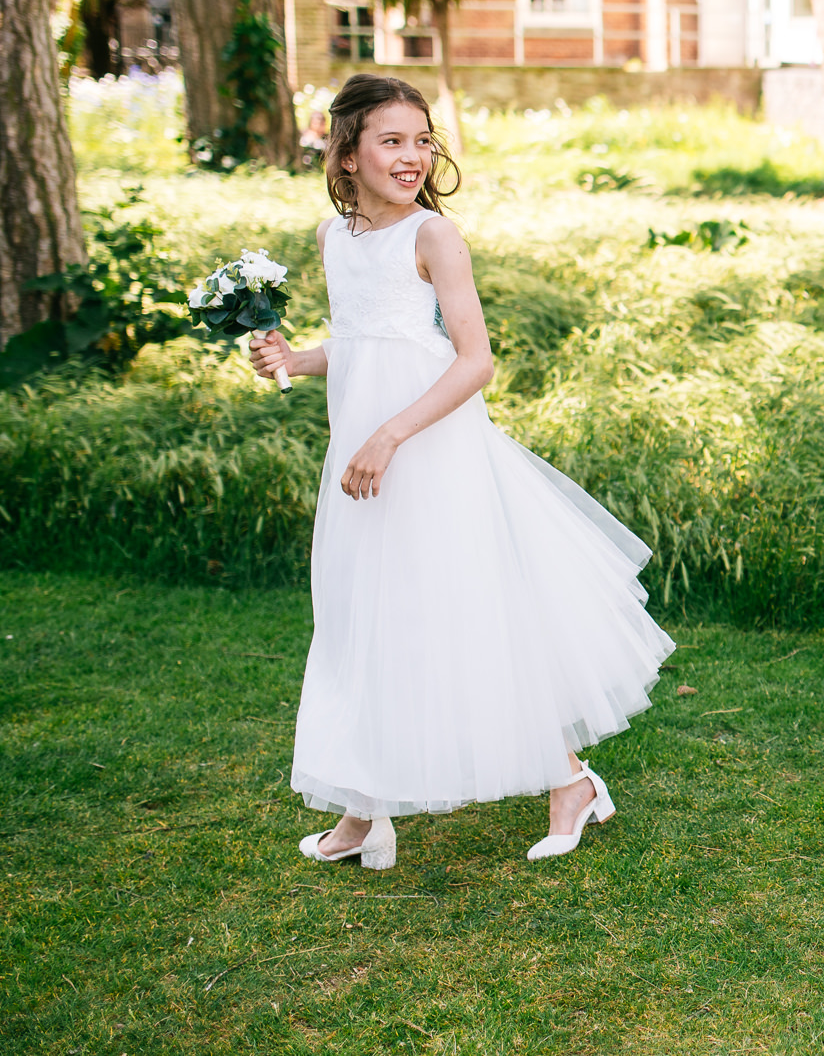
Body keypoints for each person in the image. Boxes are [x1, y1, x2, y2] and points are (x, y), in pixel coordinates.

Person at [248, 73, 673, 869]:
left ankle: (570, 780)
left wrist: (391, 435)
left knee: (465, 613)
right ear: (346, 154)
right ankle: (362, 811)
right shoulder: (332, 238)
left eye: (421, 139)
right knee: (354, 616)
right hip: (362, 458)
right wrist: (294, 358)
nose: (413, 156)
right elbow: (368, 342)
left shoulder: (434, 238)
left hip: (428, 452)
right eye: (392, 140)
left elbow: (472, 361)